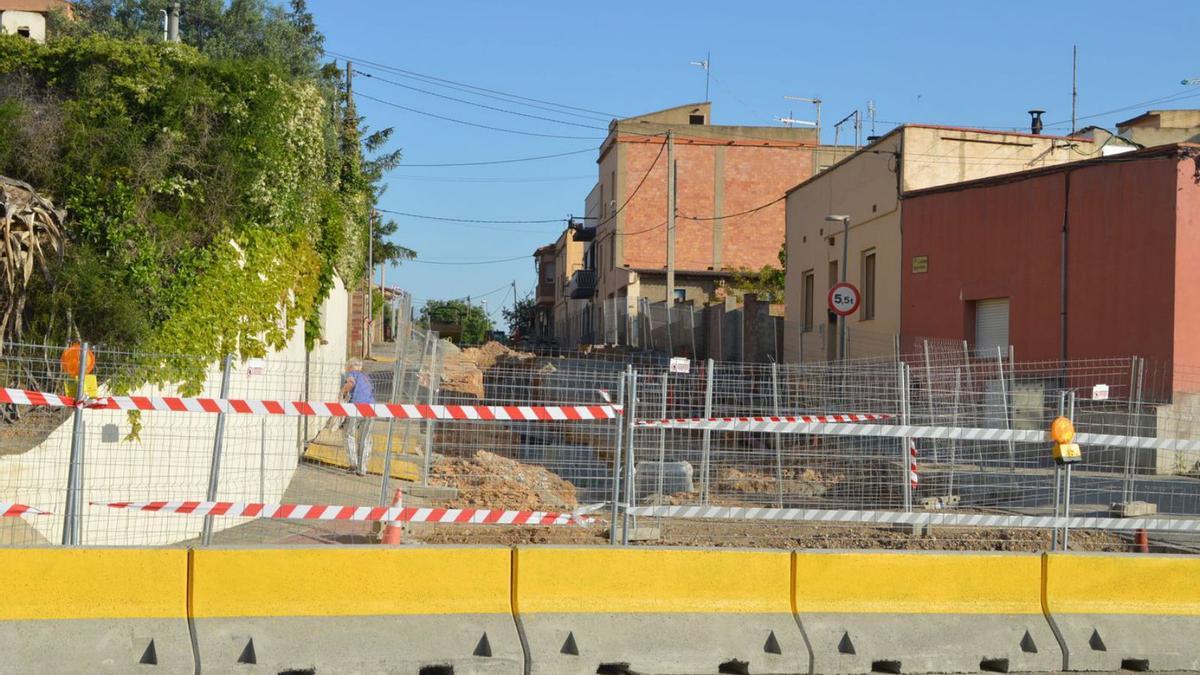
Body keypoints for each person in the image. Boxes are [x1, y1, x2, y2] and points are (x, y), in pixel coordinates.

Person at [341, 359, 375, 475]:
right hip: (370, 408)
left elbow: (351, 383)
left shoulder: (352, 374)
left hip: (356, 407)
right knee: (365, 438)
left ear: (350, 366)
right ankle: (363, 469)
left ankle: (353, 463)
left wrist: (343, 391)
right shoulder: (366, 378)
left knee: (348, 434)